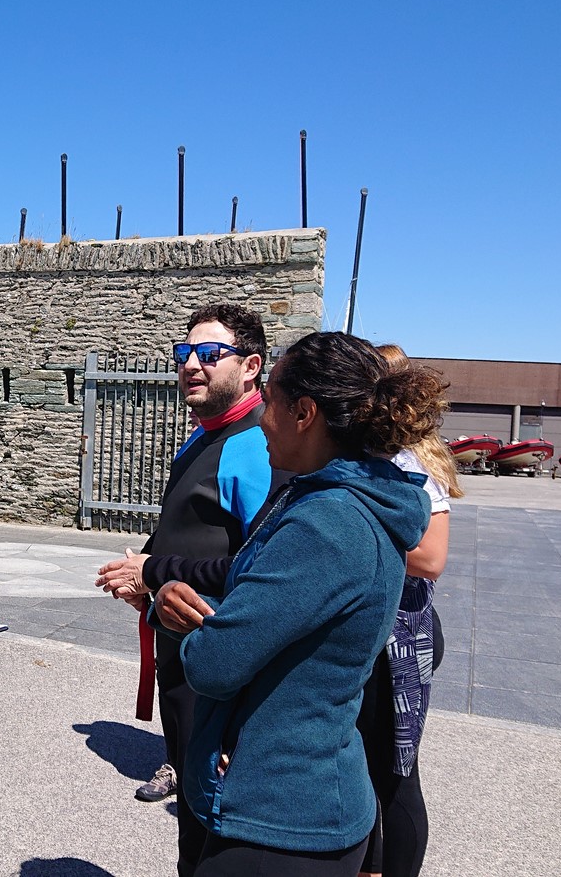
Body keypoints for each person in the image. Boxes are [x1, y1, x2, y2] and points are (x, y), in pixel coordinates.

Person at [150, 331, 439, 877]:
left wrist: (189, 624)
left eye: (271, 402)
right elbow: (270, 606)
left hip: (282, 815)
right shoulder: (332, 500)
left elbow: (215, 664)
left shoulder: (327, 523)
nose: (261, 419)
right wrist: (176, 599)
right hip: (300, 801)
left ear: (305, 412)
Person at [93, 303, 274, 875]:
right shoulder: (201, 437)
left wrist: (155, 572)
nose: (191, 364)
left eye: (210, 353)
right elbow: (186, 528)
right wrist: (143, 570)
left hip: (223, 666)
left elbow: (263, 569)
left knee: (216, 826)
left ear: (250, 367)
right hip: (183, 655)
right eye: (184, 352)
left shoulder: (258, 446)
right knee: (192, 826)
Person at [356, 345, 462, 877]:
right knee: (369, 765)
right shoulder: (375, 454)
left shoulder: (410, 462)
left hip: (400, 635)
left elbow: (431, 558)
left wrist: (352, 533)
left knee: (395, 773)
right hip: (379, 627)